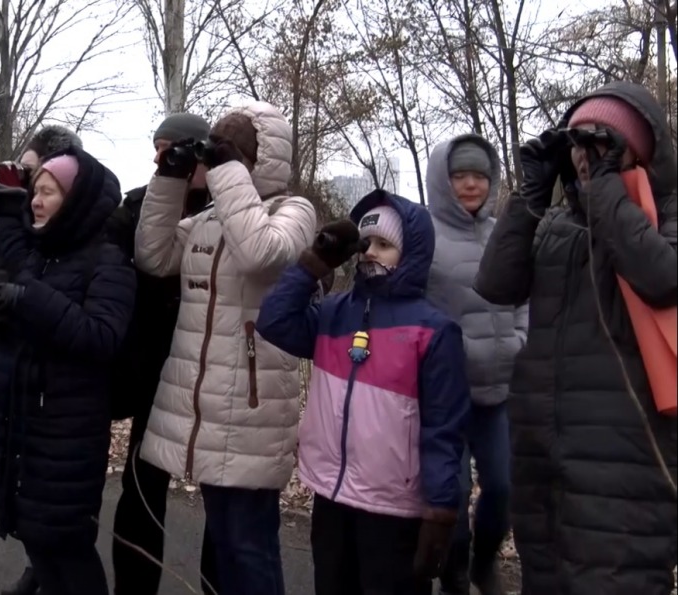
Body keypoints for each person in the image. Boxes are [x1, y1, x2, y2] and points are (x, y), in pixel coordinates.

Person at [474, 81, 677, 595]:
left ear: (639, 150)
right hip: (544, 453)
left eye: (601, 146)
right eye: (578, 146)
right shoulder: (559, 227)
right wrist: (531, 195)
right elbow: (496, 283)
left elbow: (662, 279)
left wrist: (607, 188)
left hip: (625, 463)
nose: (585, 160)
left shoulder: (667, 219)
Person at [134, 101, 317, 595]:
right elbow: (153, 255)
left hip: (251, 408)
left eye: (235, 152)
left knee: (247, 546)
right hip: (204, 406)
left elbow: (260, 254)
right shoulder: (210, 219)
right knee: (225, 546)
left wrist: (229, 170)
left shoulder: (294, 211)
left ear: (262, 157)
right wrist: (171, 177)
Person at [256, 191, 470, 595]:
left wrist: (441, 514)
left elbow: (444, 429)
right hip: (332, 498)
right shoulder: (335, 313)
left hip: (393, 510)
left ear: (411, 254)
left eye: (384, 245)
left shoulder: (434, 331)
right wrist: (315, 261)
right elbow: (274, 320)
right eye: (365, 243)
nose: (370, 253)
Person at [0, 147, 136, 595]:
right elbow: (16, 259)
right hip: (23, 422)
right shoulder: (46, 252)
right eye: (34, 192)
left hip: (67, 430)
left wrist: (29, 301)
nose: (36, 201)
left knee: (67, 546)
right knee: (36, 538)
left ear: (77, 198)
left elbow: (102, 336)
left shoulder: (108, 259)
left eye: (47, 192)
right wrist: (6, 208)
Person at [0, 124, 82, 595]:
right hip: (2, 348)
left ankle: (45, 569)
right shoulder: (16, 214)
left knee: (40, 473)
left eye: (30, 173)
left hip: (41, 363)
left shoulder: (60, 229)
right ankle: (38, 564)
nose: (24, 181)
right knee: (11, 465)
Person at [106, 112, 220, 595]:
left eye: (176, 148)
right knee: (142, 490)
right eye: (158, 147)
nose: (163, 157)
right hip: (154, 366)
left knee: (224, 498)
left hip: (213, 369)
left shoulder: (231, 211)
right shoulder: (138, 206)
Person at [423, 135, 526, 595]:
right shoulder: (424, 236)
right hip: (447, 395)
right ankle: (454, 573)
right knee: (454, 493)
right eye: (460, 176)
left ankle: (484, 562)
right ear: (444, 182)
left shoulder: (502, 233)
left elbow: (524, 294)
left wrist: (521, 338)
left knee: (502, 490)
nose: (470, 185)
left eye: (479, 176)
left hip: (498, 392)